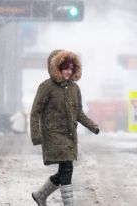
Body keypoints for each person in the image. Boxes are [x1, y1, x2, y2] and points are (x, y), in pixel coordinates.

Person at [30, 49, 100, 206]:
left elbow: (78, 112)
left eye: (71, 69)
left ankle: (40, 195)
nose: (68, 72)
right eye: (65, 68)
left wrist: (92, 126)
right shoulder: (46, 87)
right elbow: (35, 112)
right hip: (53, 134)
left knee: (64, 171)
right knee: (67, 168)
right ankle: (68, 204)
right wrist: (36, 135)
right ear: (57, 68)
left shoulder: (75, 88)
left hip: (69, 136)